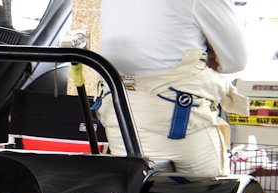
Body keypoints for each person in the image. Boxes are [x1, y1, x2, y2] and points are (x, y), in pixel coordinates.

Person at [97, 0, 249, 177]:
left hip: (118, 124)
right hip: (178, 123)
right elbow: (236, 59)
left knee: (135, 189)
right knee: (212, 187)